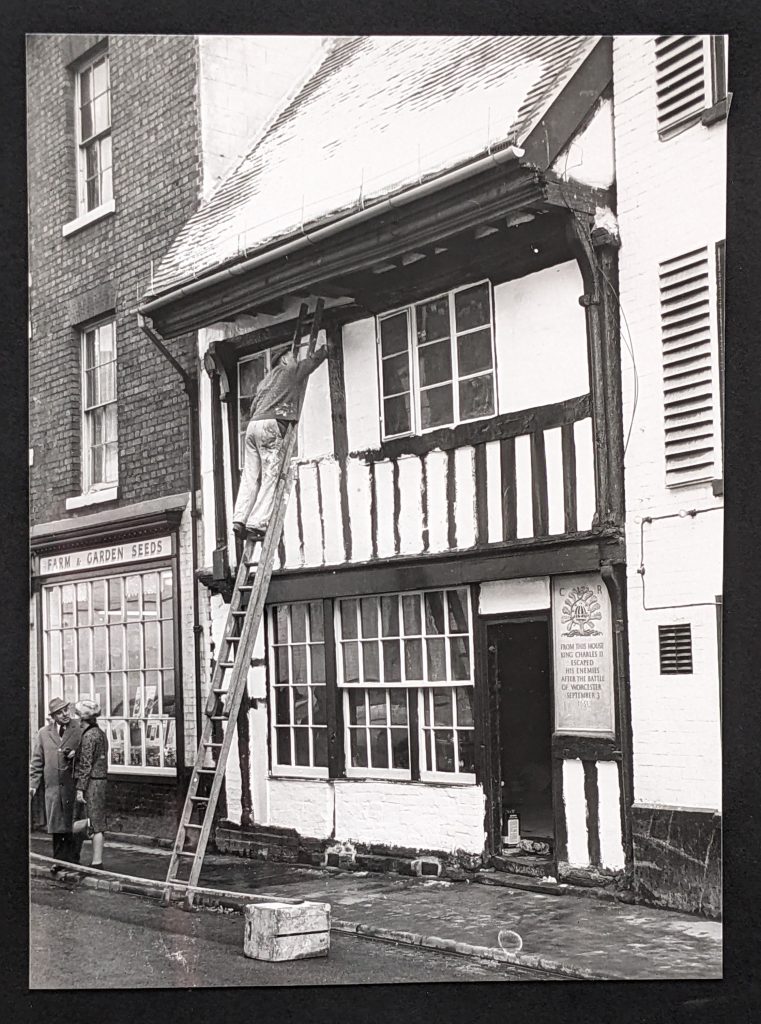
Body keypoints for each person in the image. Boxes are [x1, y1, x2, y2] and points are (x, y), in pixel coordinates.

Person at [232, 342, 328, 542]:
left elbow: (252, 408)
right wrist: (325, 350)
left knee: (250, 475)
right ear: (284, 360)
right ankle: (257, 523)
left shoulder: (264, 383)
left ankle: (239, 518)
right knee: (271, 475)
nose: (295, 359)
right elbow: (311, 363)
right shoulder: (290, 371)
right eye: (292, 356)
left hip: (252, 427)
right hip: (271, 426)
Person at [29, 697, 84, 872]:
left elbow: (89, 755)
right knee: (57, 826)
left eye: (66, 710)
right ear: (53, 716)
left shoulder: (80, 729)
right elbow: (37, 761)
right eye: (59, 712)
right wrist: (33, 785)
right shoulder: (44, 733)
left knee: (73, 825)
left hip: (73, 786)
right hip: (53, 789)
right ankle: (59, 862)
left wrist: (76, 755)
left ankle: (74, 861)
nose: (65, 714)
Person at [73, 699, 109, 870]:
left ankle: (96, 862)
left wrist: (80, 788)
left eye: (79, 718)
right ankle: (97, 861)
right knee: (97, 820)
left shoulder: (88, 736)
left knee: (93, 822)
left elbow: (86, 765)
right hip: (101, 781)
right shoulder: (100, 733)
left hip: (92, 783)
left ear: (83, 719)